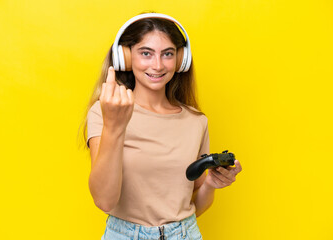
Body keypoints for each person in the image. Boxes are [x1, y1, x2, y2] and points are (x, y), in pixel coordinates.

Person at [82, 12, 242, 240]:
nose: (157, 65)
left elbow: (194, 206)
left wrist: (210, 185)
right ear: (125, 57)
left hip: (185, 234)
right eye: (146, 53)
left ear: (180, 60)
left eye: (167, 54)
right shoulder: (105, 112)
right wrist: (115, 126)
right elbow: (104, 201)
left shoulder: (196, 121)